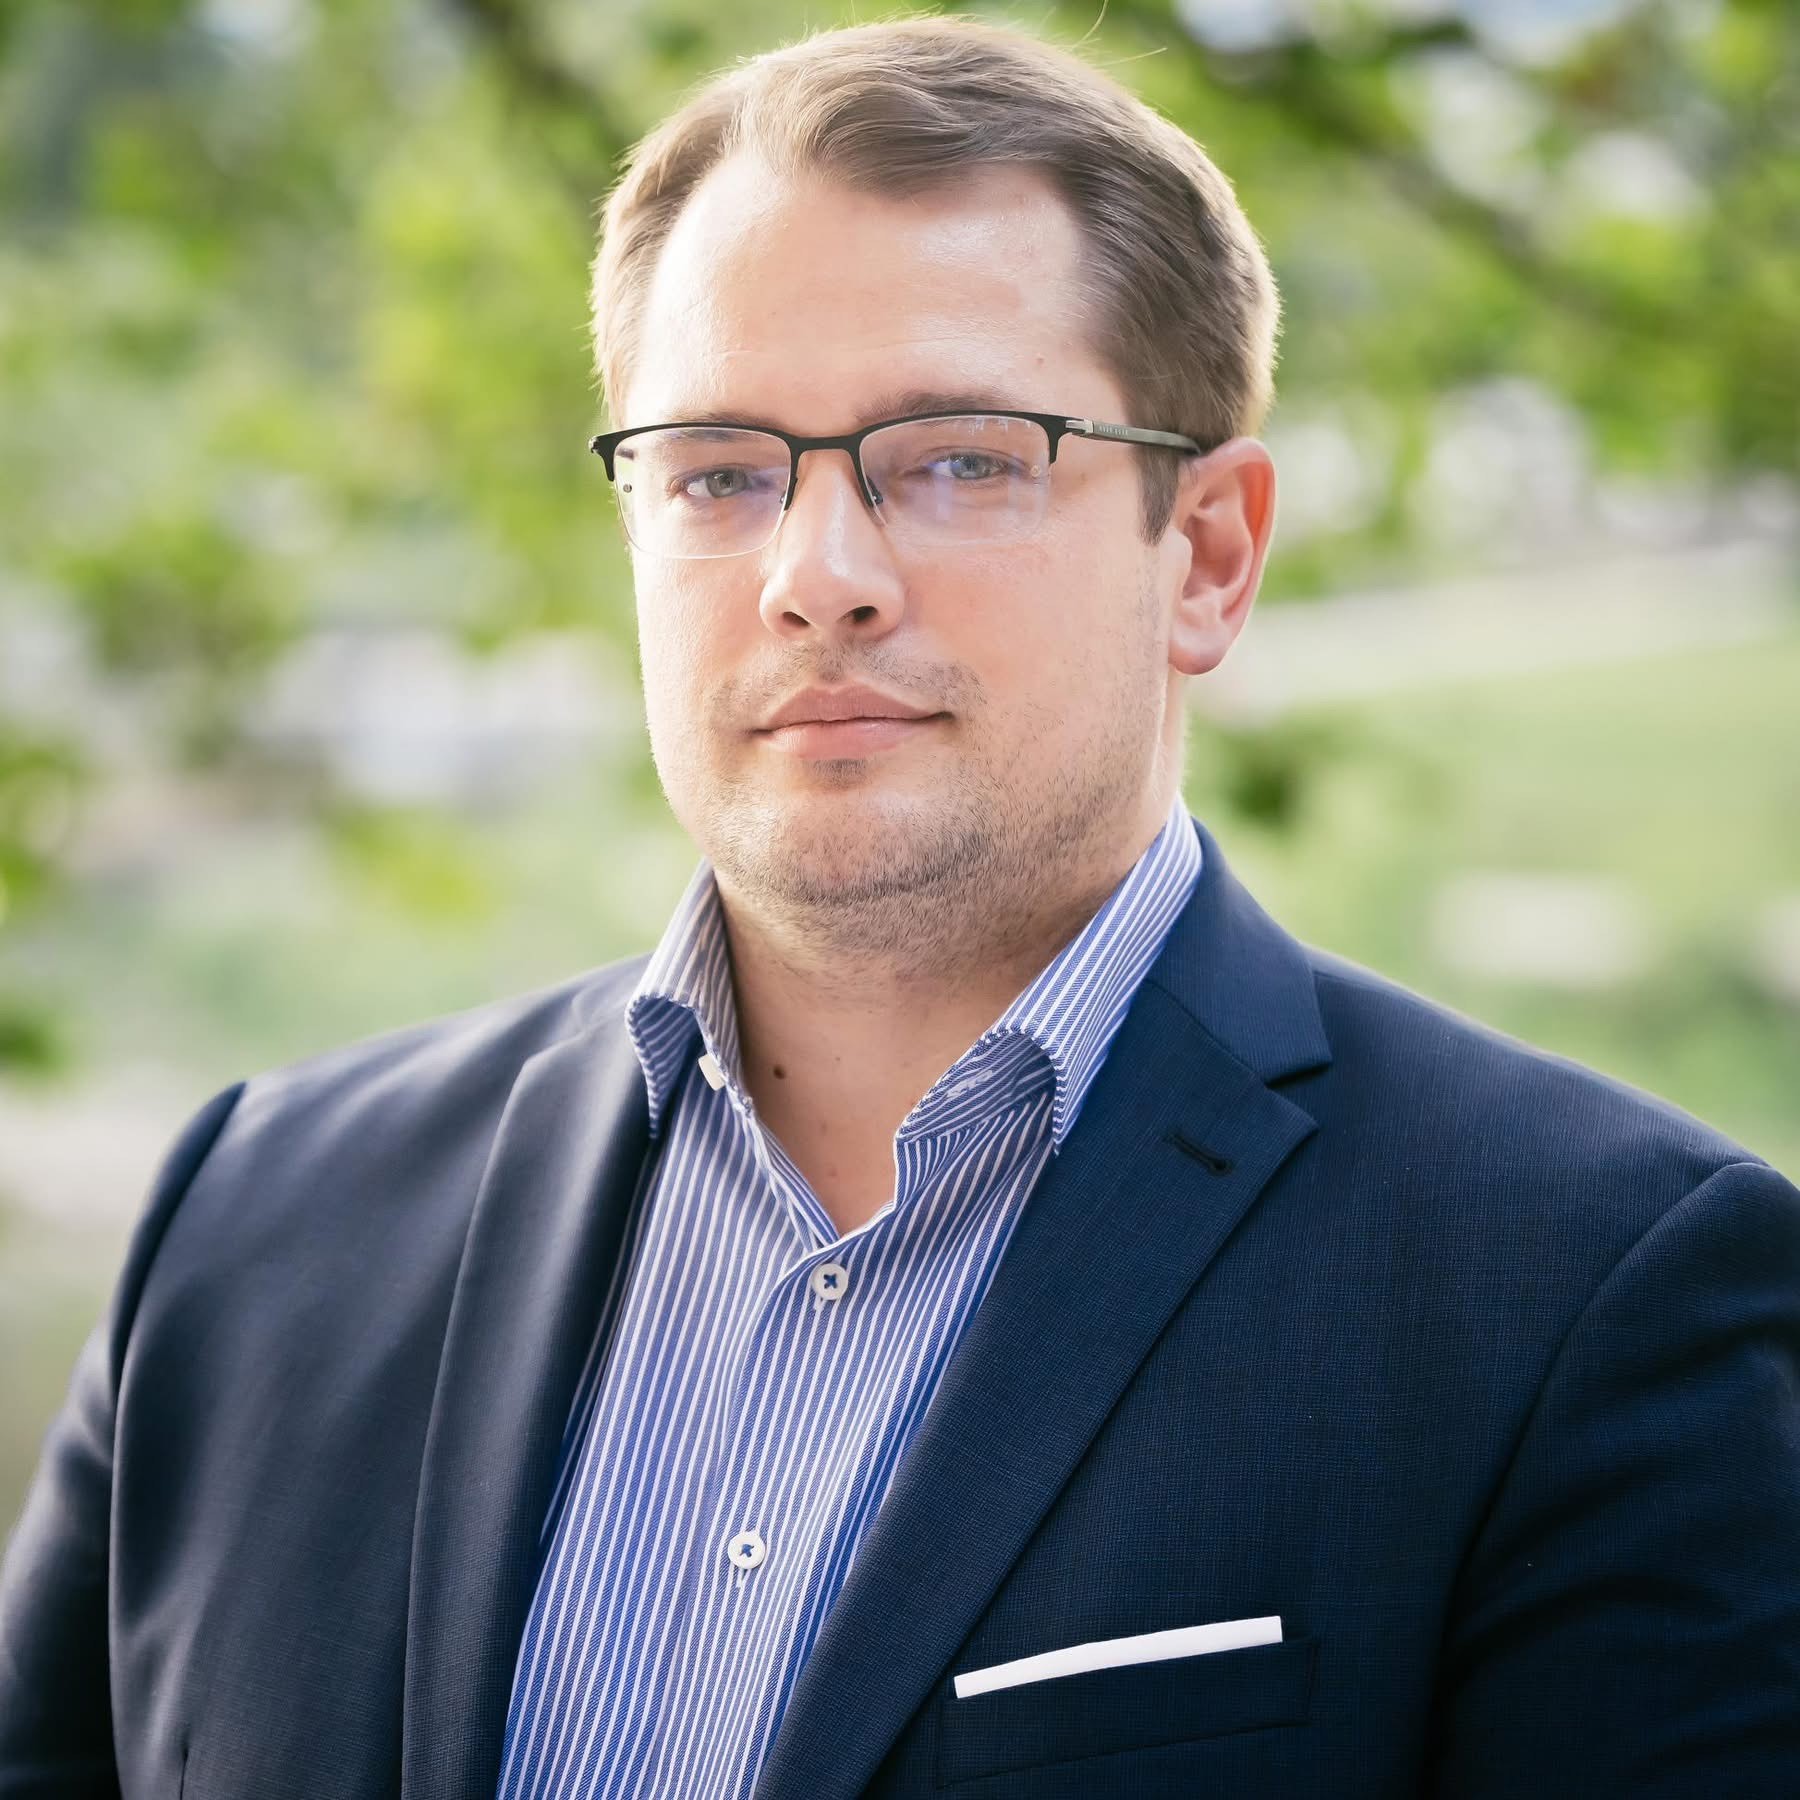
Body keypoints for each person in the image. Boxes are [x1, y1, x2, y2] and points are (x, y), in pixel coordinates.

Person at [3, 15, 1797, 1799]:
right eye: (719, 472)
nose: (819, 578)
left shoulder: (1598, 1298)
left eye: (959, 459)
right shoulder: (246, 1225)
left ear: (1209, 555)